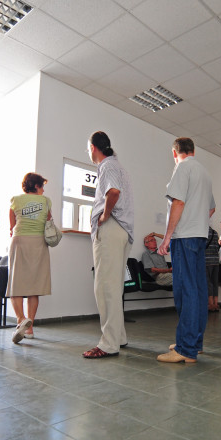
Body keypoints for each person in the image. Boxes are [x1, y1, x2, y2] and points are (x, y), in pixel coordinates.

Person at [157, 137, 216, 363]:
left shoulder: (182, 168)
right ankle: (194, 342)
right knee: (199, 290)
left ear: (175, 152)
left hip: (184, 237)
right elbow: (211, 209)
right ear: (193, 150)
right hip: (200, 236)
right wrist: (196, 220)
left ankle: (185, 349)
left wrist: (167, 237)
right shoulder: (204, 172)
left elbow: (178, 203)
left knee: (186, 290)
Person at [83, 131, 134, 359]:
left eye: (88, 147)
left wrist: (104, 216)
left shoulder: (107, 166)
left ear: (93, 147)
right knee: (114, 287)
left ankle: (109, 343)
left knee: (104, 287)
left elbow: (113, 192)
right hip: (121, 230)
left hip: (112, 228)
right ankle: (118, 337)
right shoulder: (116, 165)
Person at [7, 172, 52, 343]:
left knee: (16, 284)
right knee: (34, 286)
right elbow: (48, 221)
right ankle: (30, 329)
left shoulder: (15, 200)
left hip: (19, 241)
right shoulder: (46, 201)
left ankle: (20, 320)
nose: (43, 190)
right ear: (37, 186)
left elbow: (12, 226)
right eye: (42, 186)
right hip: (39, 242)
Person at [205, 226, 221, 312]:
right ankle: (216, 303)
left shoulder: (204, 233)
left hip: (206, 260)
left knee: (208, 282)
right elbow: (217, 247)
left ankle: (210, 304)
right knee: (215, 282)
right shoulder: (215, 233)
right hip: (216, 261)